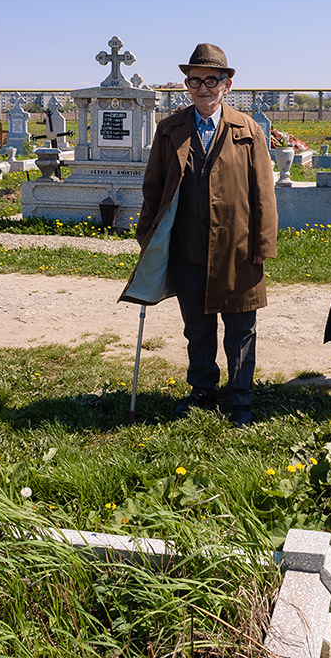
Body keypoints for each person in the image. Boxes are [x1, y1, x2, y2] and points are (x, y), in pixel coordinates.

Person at [120, 44, 278, 427]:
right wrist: (150, 238)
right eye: (195, 81)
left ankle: (241, 399)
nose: (202, 88)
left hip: (238, 249)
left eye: (211, 80)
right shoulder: (171, 129)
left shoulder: (248, 129)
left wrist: (262, 244)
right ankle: (203, 391)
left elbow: (263, 191)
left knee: (241, 329)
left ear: (226, 85)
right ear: (187, 85)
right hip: (187, 246)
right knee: (198, 328)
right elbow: (153, 188)